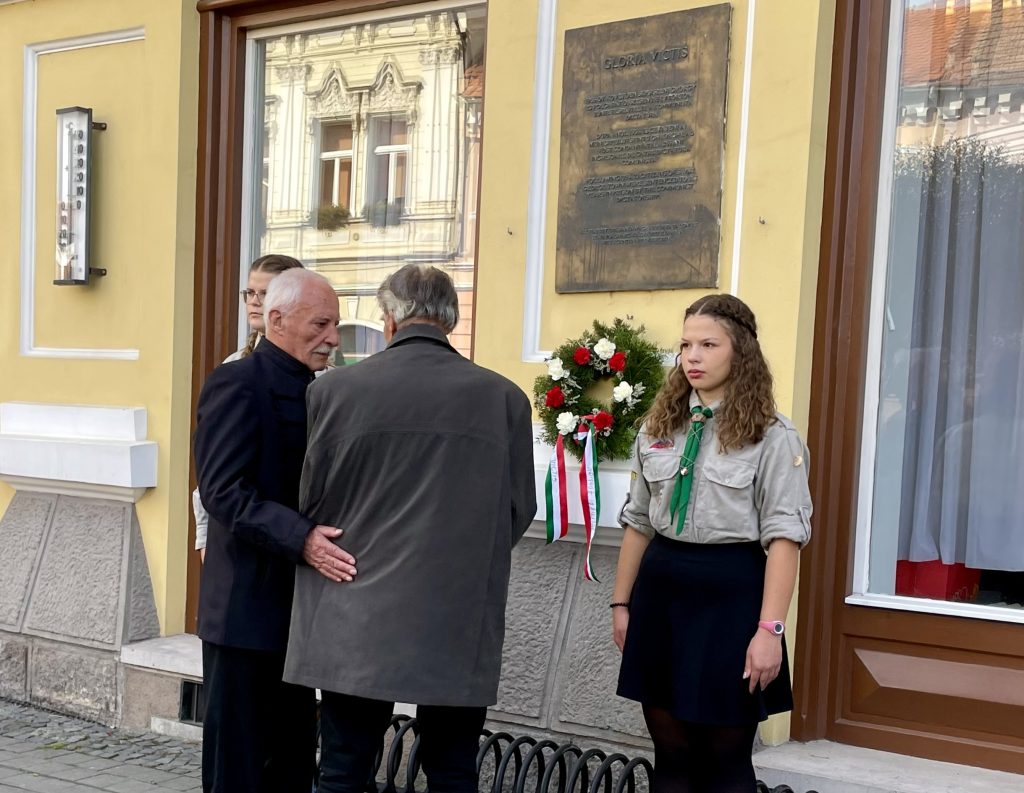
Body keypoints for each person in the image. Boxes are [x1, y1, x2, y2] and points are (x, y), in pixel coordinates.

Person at [284, 264, 537, 793]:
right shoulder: (504, 398)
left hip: (351, 601)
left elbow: (309, 499)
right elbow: (517, 510)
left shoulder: (334, 391)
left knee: (343, 769)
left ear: (390, 320)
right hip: (456, 610)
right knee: (451, 770)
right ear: (451, 320)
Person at [612, 294, 812, 793]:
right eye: (685, 345)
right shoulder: (660, 427)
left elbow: (785, 537)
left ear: (739, 350)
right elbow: (639, 521)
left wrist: (770, 630)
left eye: (707, 344)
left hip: (732, 600)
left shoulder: (772, 436)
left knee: (725, 760)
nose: (692, 357)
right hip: (662, 597)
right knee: (671, 753)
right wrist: (621, 602)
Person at [193, 268, 357, 793]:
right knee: (236, 769)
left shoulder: (321, 392)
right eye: (322, 324)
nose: (333, 338)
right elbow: (222, 491)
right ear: (278, 319)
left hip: (302, 615)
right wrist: (303, 538)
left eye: (335, 325)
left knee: (290, 766)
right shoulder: (236, 382)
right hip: (243, 614)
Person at [193, 254, 304, 563]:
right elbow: (212, 469)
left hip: (293, 533)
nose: (254, 302)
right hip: (238, 533)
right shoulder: (233, 369)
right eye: (249, 293)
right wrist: (203, 537)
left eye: (264, 294)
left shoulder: (321, 377)